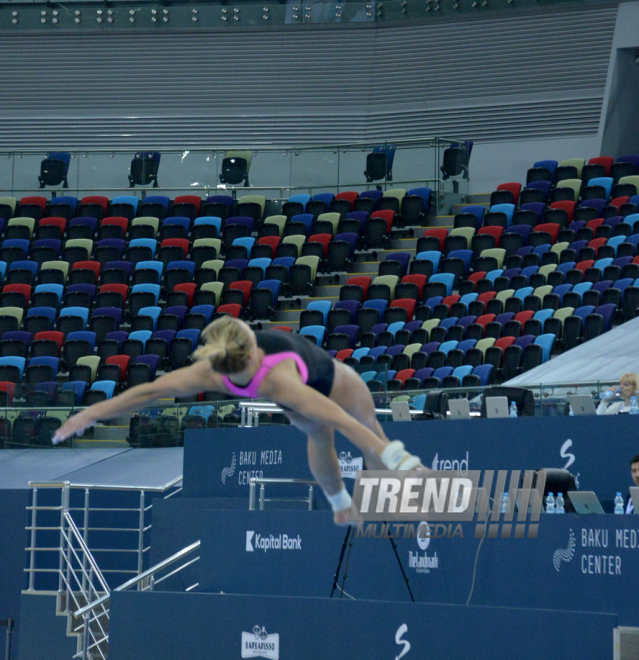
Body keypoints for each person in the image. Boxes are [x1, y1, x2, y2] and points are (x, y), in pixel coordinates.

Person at [53, 317, 424, 525]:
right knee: (353, 427)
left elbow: (146, 392)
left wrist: (90, 413)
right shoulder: (275, 377)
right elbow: (347, 423)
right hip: (324, 381)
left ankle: (355, 501)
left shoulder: (208, 373)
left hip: (311, 385)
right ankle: (361, 497)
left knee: (321, 434)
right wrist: (396, 455)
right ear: (252, 348)